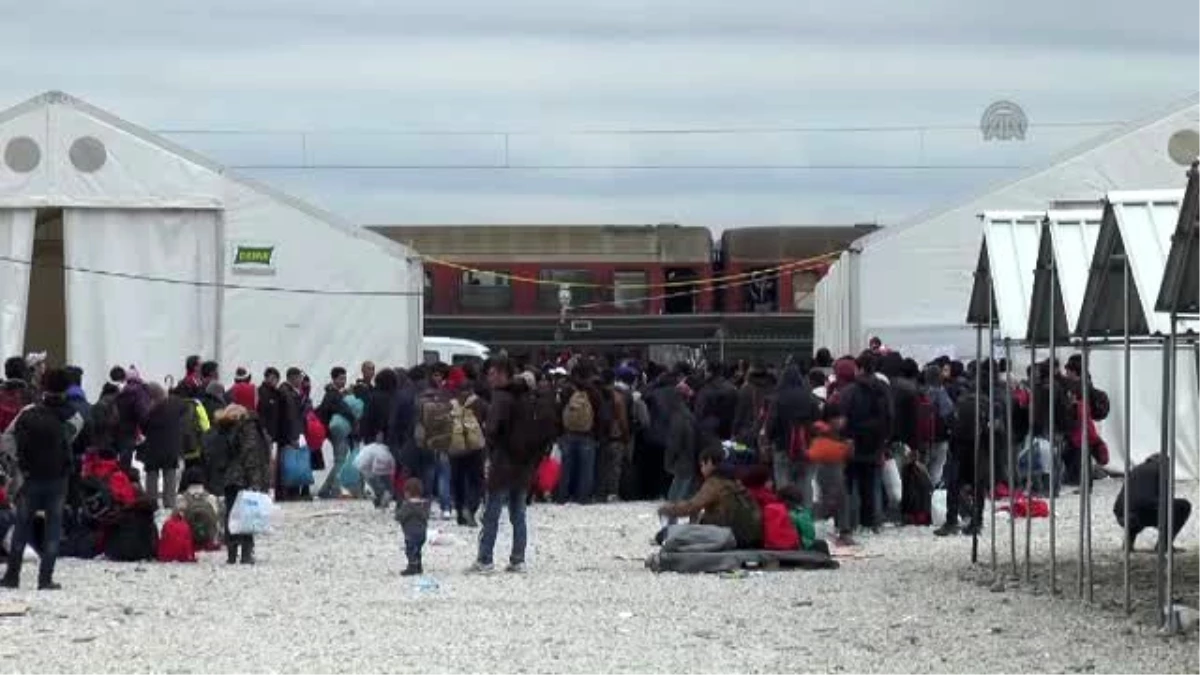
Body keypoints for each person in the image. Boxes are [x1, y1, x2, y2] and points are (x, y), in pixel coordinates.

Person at [1, 368, 84, 590]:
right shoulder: (73, 416)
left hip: (29, 477)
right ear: (67, 388)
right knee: (53, 527)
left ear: (43, 387)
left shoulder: (29, 412)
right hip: (58, 478)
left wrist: (17, 461)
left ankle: (12, 575)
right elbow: (70, 439)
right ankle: (45, 578)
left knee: (22, 524)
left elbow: (7, 438)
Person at [471, 358, 539, 574]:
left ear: (502, 374)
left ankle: (485, 559)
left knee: (491, 512)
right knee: (518, 513)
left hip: (502, 461)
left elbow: (492, 429)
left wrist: (487, 434)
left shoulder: (500, 397)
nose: (490, 378)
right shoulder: (527, 395)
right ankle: (518, 559)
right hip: (524, 462)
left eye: (492, 373)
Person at [658, 446, 764, 549]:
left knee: (673, 533)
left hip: (728, 535)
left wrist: (667, 509)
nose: (701, 469)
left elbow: (692, 506)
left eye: (702, 465)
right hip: (750, 536)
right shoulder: (735, 481)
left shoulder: (715, 482)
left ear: (709, 462)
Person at [212, 404, 271, 565]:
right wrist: (256, 482)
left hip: (229, 478)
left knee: (231, 515)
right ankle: (246, 553)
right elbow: (251, 455)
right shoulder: (248, 427)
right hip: (244, 478)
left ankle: (231, 553)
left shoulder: (223, 428)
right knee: (247, 515)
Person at [1114, 454, 1190, 552]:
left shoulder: (1136, 469)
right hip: (1140, 513)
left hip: (1121, 513)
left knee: (1135, 505)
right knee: (1183, 506)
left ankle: (1128, 544)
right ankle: (1164, 545)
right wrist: (1166, 524)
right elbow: (1165, 498)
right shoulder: (1161, 469)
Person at [556, 363, 607, 504]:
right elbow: (601, 415)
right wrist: (598, 435)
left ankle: (563, 496)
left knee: (566, 468)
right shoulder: (593, 392)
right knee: (586, 469)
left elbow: (558, 411)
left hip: (567, 433)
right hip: (587, 435)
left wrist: (559, 432)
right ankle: (583, 498)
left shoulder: (566, 390)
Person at [140, 383, 190, 510]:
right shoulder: (175, 404)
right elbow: (185, 408)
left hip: (152, 449)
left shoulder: (148, 412)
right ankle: (170, 504)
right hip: (171, 448)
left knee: (151, 477)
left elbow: (143, 429)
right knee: (170, 477)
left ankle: (151, 505)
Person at [316, 367, 358, 500]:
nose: (343, 381)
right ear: (334, 379)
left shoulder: (334, 393)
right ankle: (333, 489)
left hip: (334, 432)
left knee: (339, 460)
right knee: (340, 460)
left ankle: (325, 489)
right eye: (341, 378)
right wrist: (353, 418)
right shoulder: (333, 394)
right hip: (337, 433)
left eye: (345, 378)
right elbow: (342, 409)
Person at [449, 382, 487, 526]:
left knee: (457, 481)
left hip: (456, 449)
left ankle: (459, 513)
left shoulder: (451, 404)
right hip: (475, 449)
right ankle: (470, 508)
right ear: (472, 390)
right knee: (476, 481)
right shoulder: (481, 404)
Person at [395, 477, 430, 576]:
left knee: (410, 550)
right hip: (422, 533)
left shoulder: (407, 505)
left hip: (410, 532)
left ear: (408, 492)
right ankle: (418, 565)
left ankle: (412, 566)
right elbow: (426, 517)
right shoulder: (424, 505)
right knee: (418, 550)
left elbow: (399, 516)